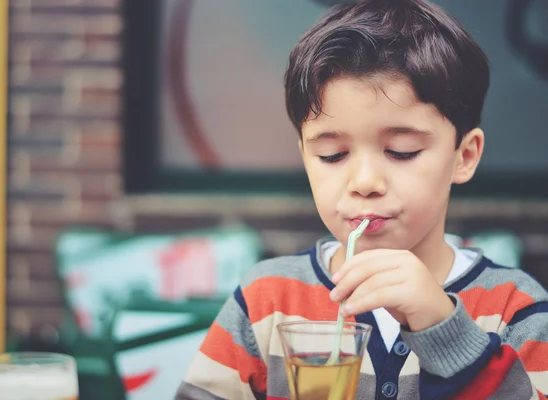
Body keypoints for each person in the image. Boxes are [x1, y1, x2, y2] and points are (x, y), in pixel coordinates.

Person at [176, 0, 548, 398]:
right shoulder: (267, 299)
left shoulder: (515, 308)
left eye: (402, 151)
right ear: (304, 157)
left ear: (465, 156)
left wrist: (445, 331)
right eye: (332, 155)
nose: (365, 182)